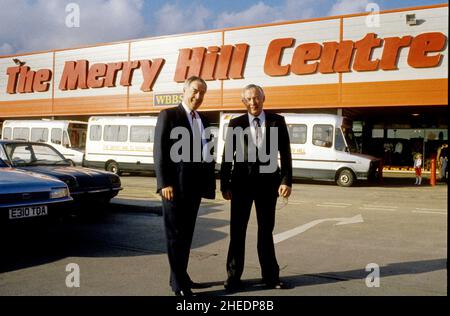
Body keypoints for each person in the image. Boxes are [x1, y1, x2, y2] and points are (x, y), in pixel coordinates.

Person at [220, 84, 292, 291]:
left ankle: (271, 277)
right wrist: (225, 184)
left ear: (263, 98)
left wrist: (286, 180)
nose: (253, 102)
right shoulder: (236, 123)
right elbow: (227, 157)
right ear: (244, 102)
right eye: (249, 99)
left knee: (266, 232)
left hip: (269, 186)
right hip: (241, 186)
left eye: (256, 98)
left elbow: (285, 154)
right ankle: (233, 278)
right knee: (237, 232)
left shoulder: (277, 121)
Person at [153, 76, 216, 296]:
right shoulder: (169, 115)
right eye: (195, 91)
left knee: (187, 235)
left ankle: (180, 275)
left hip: (194, 188)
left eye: (203, 93)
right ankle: (178, 284)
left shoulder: (204, 120)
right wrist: (164, 183)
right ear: (185, 90)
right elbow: (160, 151)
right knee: (175, 235)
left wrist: (209, 185)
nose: (198, 96)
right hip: (174, 187)